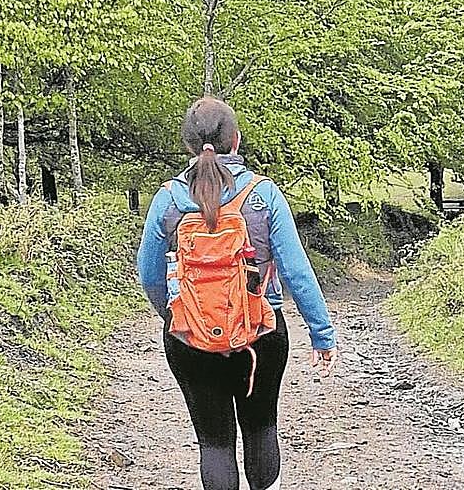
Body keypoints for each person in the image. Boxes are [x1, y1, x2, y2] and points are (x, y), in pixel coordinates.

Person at [138, 96, 338, 490]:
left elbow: (149, 275)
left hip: (189, 339)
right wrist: (321, 334)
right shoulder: (263, 195)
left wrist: (176, 317)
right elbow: (297, 271)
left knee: (214, 443)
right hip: (260, 333)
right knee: (261, 426)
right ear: (236, 140)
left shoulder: (166, 199)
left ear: (189, 146)